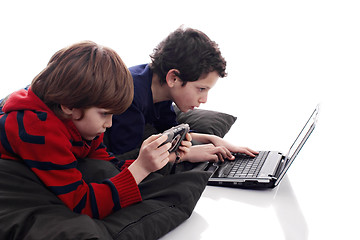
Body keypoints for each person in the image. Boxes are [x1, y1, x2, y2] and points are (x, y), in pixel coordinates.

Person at [0, 41, 191, 219]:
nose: (109, 124)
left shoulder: (86, 129)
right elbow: (83, 203)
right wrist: (141, 168)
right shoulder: (39, 131)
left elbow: (112, 166)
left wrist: (160, 159)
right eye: (104, 114)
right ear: (68, 105)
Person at [105, 27, 257, 164]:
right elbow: (127, 156)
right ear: (173, 78)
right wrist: (184, 154)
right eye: (201, 89)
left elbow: (170, 129)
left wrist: (212, 139)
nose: (204, 100)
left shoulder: (162, 90)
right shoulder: (131, 94)